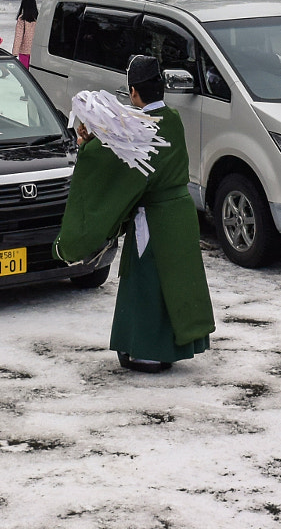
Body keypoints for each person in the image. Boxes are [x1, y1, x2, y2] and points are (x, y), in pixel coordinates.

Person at [53, 56, 216, 372]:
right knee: (177, 281)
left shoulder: (141, 128)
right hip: (179, 215)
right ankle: (166, 347)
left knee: (149, 282)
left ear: (134, 92)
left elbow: (108, 164)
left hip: (154, 219)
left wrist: (86, 145)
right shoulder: (171, 118)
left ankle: (148, 352)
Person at [11, 0, 39, 67]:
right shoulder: (39, 18)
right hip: (36, 50)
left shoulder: (22, 19)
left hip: (24, 50)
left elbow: (18, 36)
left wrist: (15, 52)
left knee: (25, 72)